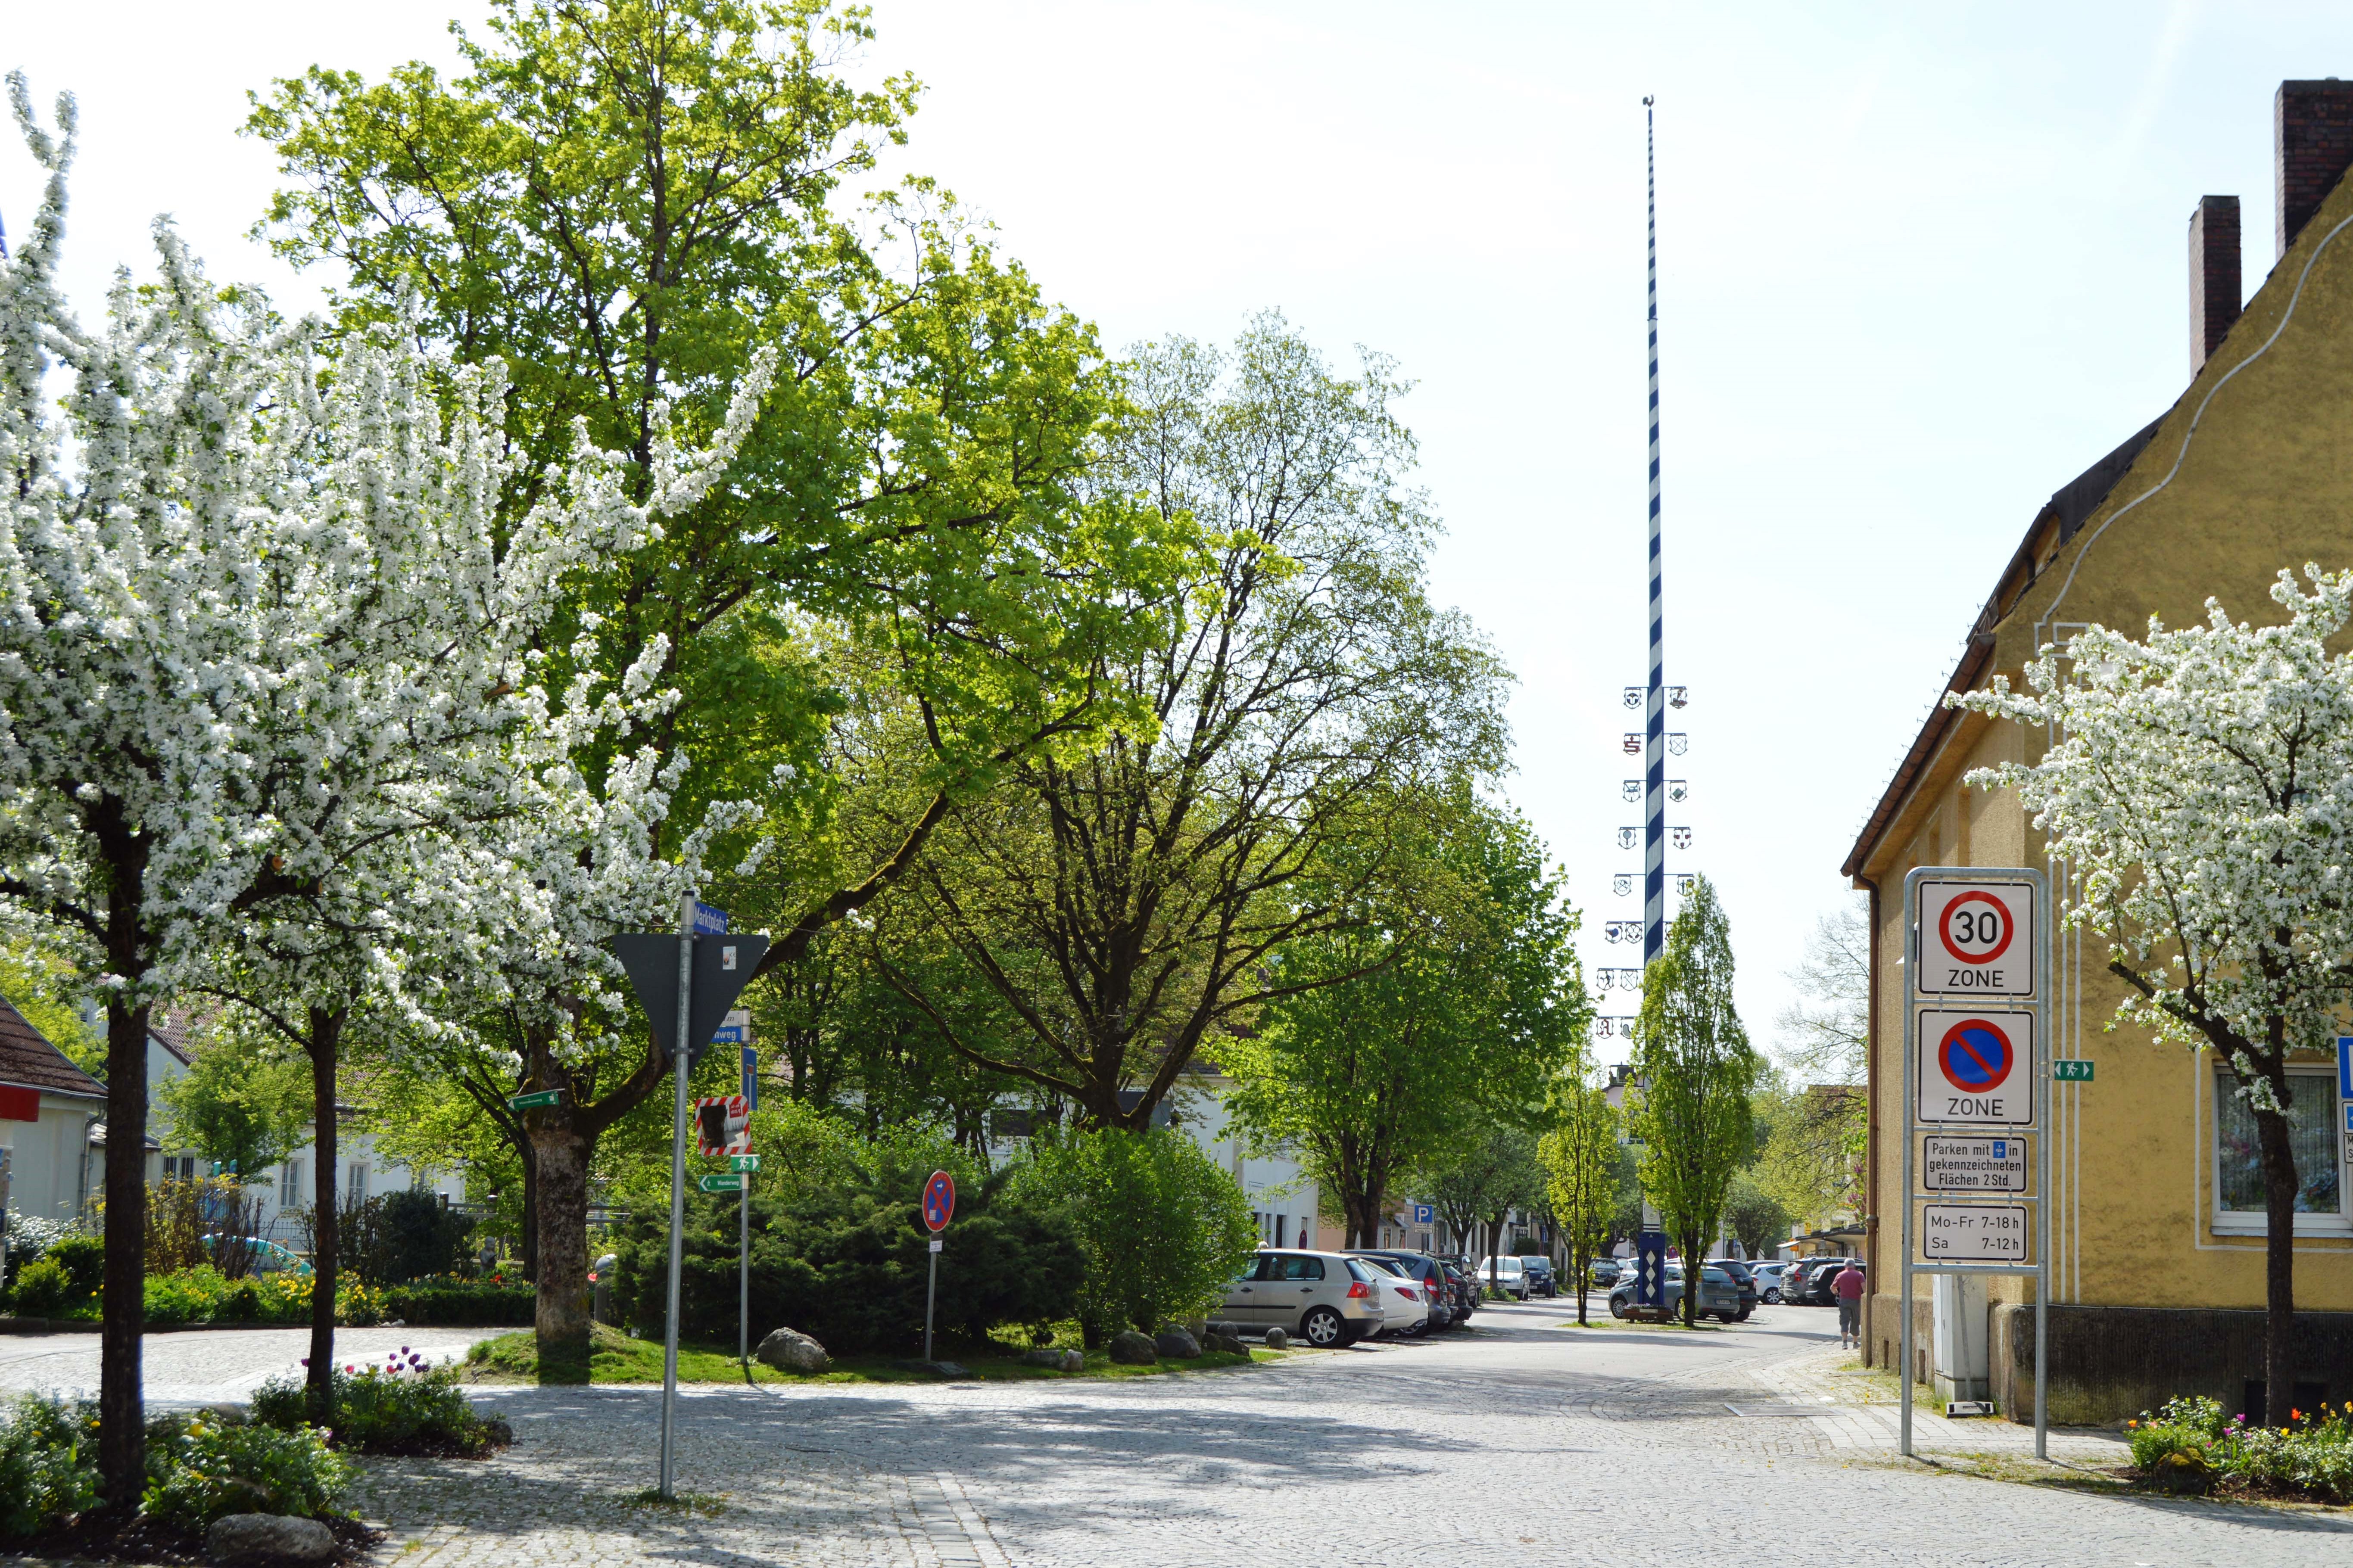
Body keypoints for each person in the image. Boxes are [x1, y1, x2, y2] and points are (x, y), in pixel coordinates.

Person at [1833, 1259, 1866, 1350]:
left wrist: (1835, 1292)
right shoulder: (1860, 1275)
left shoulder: (1841, 1275)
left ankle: (1845, 1343)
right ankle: (1855, 1343)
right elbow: (1864, 1288)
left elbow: (1833, 1287)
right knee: (1856, 1320)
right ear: (1854, 1266)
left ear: (1845, 1266)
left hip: (1844, 1301)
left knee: (1844, 1320)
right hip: (1856, 1301)